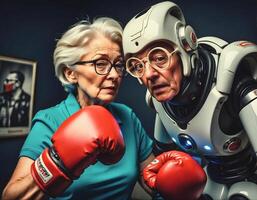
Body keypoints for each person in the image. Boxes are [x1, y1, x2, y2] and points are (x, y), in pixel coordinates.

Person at [2, 17, 206, 200]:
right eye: (101, 63)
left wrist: (177, 188)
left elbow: (150, 179)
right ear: (71, 73)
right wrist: (57, 162)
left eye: (118, 65)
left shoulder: (127, 117)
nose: (114, 75)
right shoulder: (50, 120)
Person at [123, 1, 257, 200]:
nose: (148, 74)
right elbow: (161, 155)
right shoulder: (160, 101)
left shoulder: (232, 81)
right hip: (208, 181)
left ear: (186, 45)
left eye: (159, 57)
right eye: (137, 66)